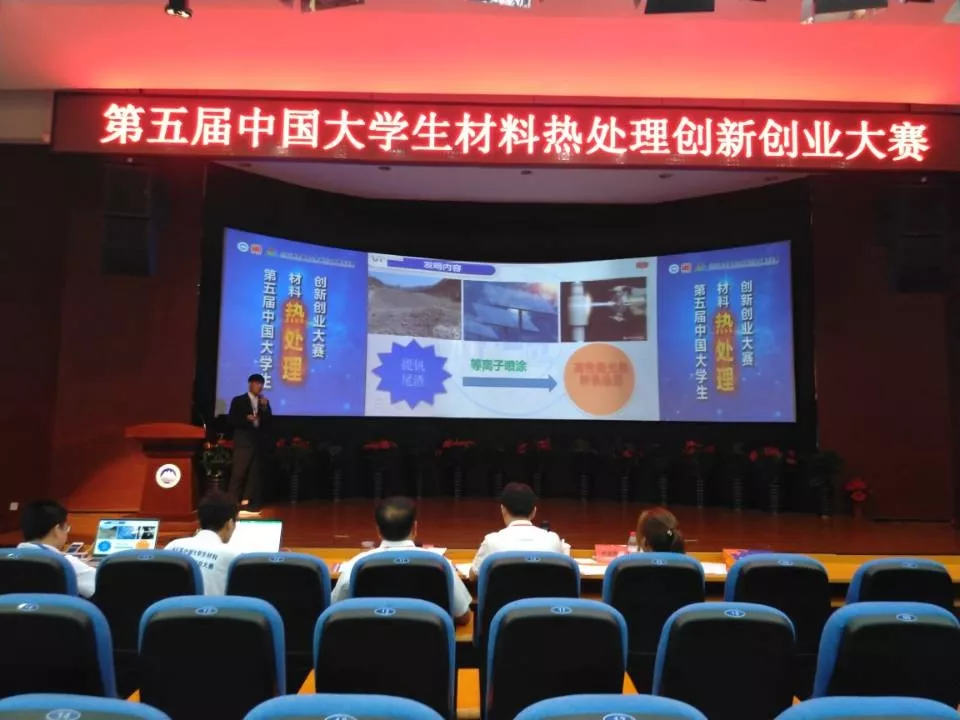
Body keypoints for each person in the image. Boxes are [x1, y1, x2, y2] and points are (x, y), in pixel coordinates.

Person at [332, 496, 472, 625]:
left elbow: (334, 610)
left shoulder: (356, 565)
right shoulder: (440, 565)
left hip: (368, 642)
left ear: (378, 531)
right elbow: (463, 615)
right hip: (426, 643)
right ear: (415, 528)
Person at [469, 482, 565, 580]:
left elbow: (473, 576)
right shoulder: (553, 540)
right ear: (534, 511)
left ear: (503, 509)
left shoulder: (492, 541)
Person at [165, 492, 241, 595]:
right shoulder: (233, 557)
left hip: (172, 606)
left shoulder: (172, 547)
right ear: (230, 523)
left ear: (199, 520)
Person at [18, 500, 96, 598]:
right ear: (57, 529)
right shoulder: (64, 562)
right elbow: (103, 584)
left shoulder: (7, 558)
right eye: (67, 528)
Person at [228, 373, 272, 514]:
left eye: (261, 384)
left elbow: (269, 423)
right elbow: (232, 420)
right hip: (243, 442)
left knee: (254, 476)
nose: (260, 387)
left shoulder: (263, 402)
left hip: (257, 443)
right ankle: (231, 504)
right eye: (257, 383)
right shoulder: (239, 400)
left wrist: (265, 409)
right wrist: (246, 418)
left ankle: (248, 503)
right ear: (250, 384)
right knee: (238, 474)